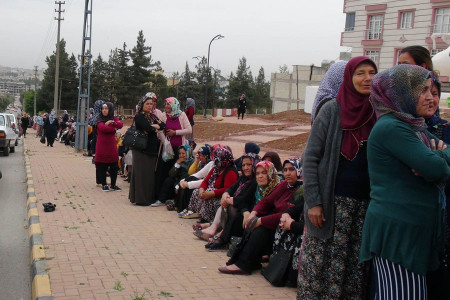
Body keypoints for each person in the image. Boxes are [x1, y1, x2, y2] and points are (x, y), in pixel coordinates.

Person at [359, 64, 450, 299]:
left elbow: (440, 158)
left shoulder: (412, 126)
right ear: (401, 94)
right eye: (423, 91)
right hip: (399, 234)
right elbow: (436, 168)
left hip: (412, 232)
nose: (430, 97)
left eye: (432, 91)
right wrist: (437, 159)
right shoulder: (392, 127)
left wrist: (438, 155)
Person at [299, 56, 377, 299]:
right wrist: (314, 202)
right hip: (330, 207)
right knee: (320, 272)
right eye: (360, 73)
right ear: (349, 77)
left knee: (353, 273)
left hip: (363, 210)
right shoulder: (332, 109)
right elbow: (309, 158)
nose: (367, 78)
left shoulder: (378, 112)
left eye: (372, 73)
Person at [218, 158, 302, 275]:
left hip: (288, 225)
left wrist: (261, 220)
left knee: (260, 230)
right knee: (250, 222)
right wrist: (253, 213)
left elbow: (286, 212)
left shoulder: (301, 190)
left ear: (299, 170)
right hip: (276, 220)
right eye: (285, 170)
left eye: (292, 169)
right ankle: (245, 260)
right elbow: (267, 201)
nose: (287, 173)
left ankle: (243, 264)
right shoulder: (285, 185)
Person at [198, 153, 260, 250]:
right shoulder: (243, 178)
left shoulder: (255, 181)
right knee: (229, 206)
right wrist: (225, 194)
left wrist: (228, 199)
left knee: (233, 208)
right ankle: (221, 235)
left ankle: (223, 238)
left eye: (249, 165)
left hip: (249, 210)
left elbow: (244, 198)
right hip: (242, 207)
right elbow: (231, 188)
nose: (245, 168)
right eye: (243, 165)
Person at [183, 145, 238, 221]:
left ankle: (207, 219)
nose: (216, 161)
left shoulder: (230, 172)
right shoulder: (216, 169)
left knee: (209, 200)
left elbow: (228, 189)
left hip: (223, 197)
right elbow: (206, 181)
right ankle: (194, 211)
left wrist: (212, 193)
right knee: (196, 191)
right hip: (213, 191)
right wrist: (201, 190)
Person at [129, 93, 165, 206]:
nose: (150, 106)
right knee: (141, 175)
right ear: (142, 105)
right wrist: (155, 127)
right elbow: (147, 128)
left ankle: (148, 198)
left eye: (151, 104)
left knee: (149, 176)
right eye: (147, 104)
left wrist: (154, 127)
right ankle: (141, 199)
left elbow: (163, 125)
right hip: (141, 149)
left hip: (151, 149)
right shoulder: (139, 116)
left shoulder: (152, 116)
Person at [154, 97, 192, 201]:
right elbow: (160, 130)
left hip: (179, 150)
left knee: (177, 172)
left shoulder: (181, 115)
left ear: (174, 106)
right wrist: (165, 142)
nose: (166, 106)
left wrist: (175, 133)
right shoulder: (163, 115)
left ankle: (174, 198)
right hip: (167, 149)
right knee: (164, 172)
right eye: (165, 104)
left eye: (168, 105)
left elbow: (189, 129)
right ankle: (161, 197)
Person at [176, 145, 214, 214]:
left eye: (202, 156)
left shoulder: (213, 164)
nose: (200, 157)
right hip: (200, 182)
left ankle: (188, 208)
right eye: (199, 155)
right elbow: (194, 174)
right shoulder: (205, 163)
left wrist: (188, 184)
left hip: (208, 186)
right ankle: (180, 206)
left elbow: (206, 181)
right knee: (186, 179)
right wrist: (183, 181)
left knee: (190, 186)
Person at [94, 102, 123, 192]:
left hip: (111, 146)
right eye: (103, 109)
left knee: (114, 166)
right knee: (103, 166)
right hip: (102, 146)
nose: (104, 110)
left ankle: (113, 185)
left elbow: (120, 124)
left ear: (110, 109)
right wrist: (113, 128)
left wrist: (111, 123)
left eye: (106, 109)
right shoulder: (99, 119)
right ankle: (104, 184)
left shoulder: (113, 118)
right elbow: (103, 128)